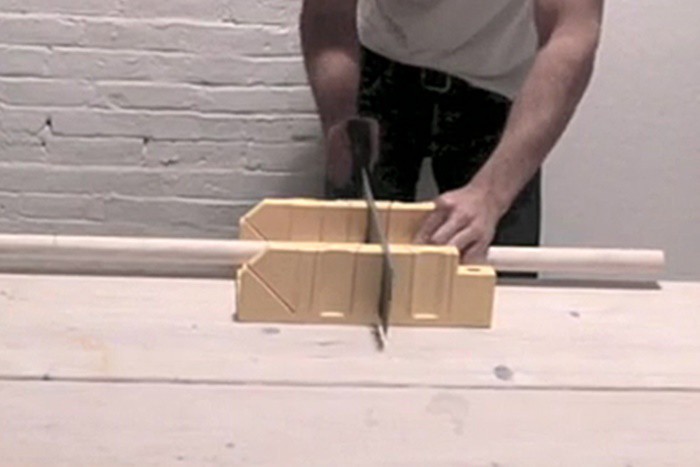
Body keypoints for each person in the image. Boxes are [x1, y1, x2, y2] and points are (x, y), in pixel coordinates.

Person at [300, 0, 604, 263]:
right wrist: (340, 119)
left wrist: (491, 195)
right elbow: (328, 15)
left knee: (497, 277)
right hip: (383, 69)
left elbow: (570, 36)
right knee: (350, 265)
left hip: (498, 86)